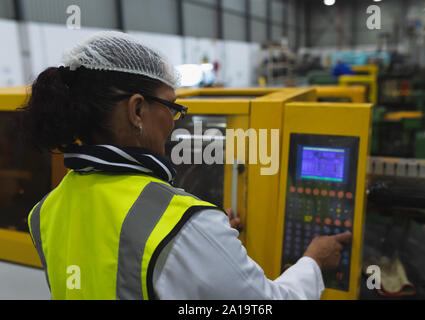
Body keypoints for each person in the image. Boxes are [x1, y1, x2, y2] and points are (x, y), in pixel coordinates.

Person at [21, 31, 351, 300]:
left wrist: (207, 240)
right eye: (172, 106)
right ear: (137, 111)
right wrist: (313, 262)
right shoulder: (185, 226)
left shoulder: (47, 211)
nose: (175, 122)